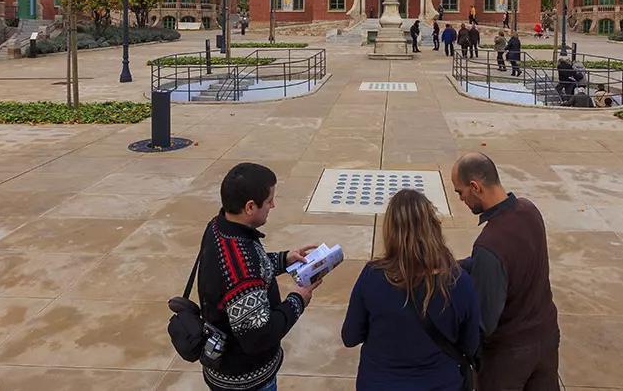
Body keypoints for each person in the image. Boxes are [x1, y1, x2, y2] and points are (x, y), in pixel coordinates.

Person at [197, 163, 321, 391]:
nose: (273, 205)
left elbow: (246, 267)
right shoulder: (242, 269)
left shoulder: (220, 226)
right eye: (269, 201)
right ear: (250, 207)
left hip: (222, 367)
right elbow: (258, 336)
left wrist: (285, 259)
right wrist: (297, 300)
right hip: (246, 380)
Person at [341, 189, 481, 391]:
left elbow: (350, 336)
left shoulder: (373, 276)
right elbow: (470, 344)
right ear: (433, 226)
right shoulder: (460, 282)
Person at [450, 153, 560, 391]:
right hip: (547, 337)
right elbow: (511, 261)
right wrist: (454, 266)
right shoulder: (529, 210)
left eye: (460, 192)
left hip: (509, 356)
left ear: (475, 187)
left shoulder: (489, 243)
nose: (461, 199)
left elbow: (484, 323)